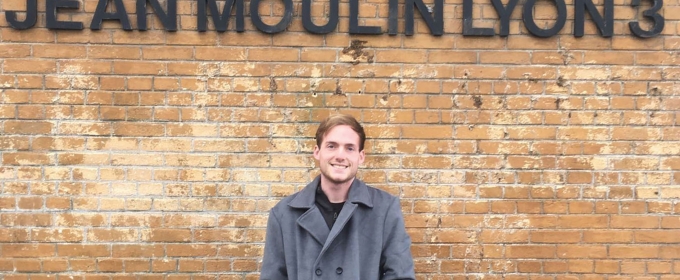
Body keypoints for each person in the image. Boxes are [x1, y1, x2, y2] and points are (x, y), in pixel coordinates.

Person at [260, 114, 415, 280]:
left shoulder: (384, 209)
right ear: (317, 152)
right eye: (332, 146)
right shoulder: (284, 214)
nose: (340, 155)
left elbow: (400, 275)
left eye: (349, 148)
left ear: (360, 156)